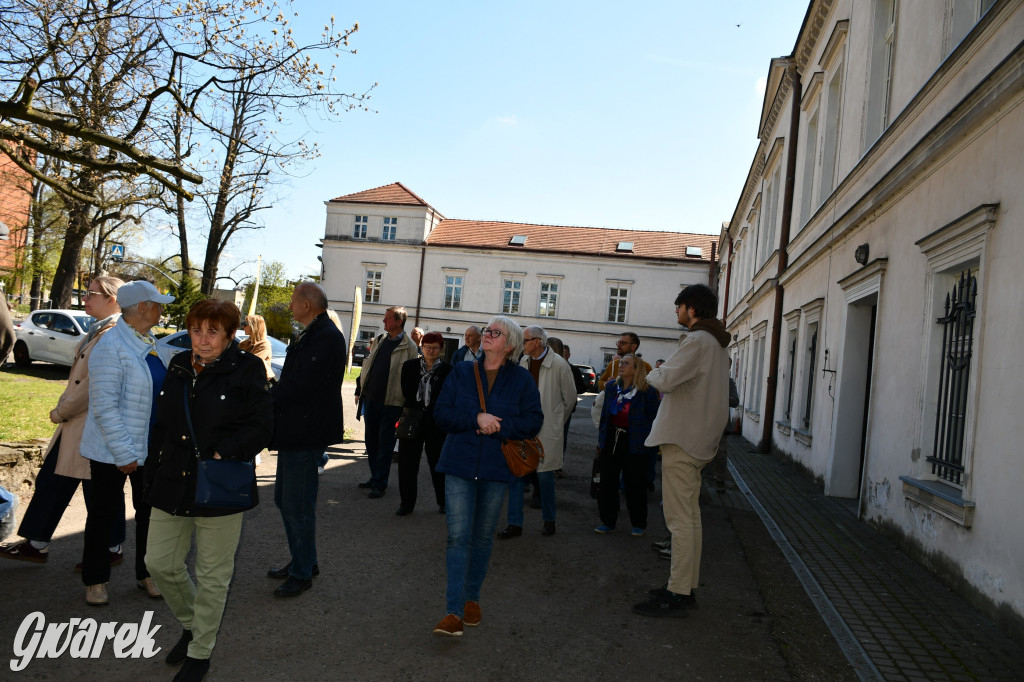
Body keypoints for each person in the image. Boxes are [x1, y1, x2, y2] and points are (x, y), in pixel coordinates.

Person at [145, 298, 273, 682]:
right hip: (173, 480)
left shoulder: (248, 369)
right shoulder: (179, 364)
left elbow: (263, 426)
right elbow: (163, 424)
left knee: (213, 574)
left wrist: (224, 452)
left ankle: (200, 652)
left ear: (230, 334)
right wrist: (152, 470)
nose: (201, 340)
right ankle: (192, 624)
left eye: (212, 332)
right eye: (197, 330)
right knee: (160, 564)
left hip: (220, 484)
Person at [0, 276, 127, 566]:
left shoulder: (111, 334)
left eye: (93, 293)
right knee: (66, 483)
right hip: (85, 426)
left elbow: (91, 385)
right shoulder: (104, 330)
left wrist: (61, 412)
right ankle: (41, 543)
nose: (86, 298)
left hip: (88, 425)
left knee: (95, 488)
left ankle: (106, 548)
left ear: (112, 299)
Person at [431, 315, 543, 636]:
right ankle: (453, 612)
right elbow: (441, 413)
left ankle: (472, 598)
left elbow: (533, 421)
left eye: (495, 332)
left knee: (481, 537)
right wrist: (475, 417)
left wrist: (501, 425)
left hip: (496, 468)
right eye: (486, 330)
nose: (487, 335)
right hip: (459, 463)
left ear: (509, 345)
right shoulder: (462, 371)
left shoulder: (521, 380)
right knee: (457, 537)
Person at [633, 284, 730, 618]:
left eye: (679, 307)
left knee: (680, 521)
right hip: (699, 439)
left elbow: (662, 379)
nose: (676, 312)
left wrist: (654, 370)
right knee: (690, 518)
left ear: (692, 309)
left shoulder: (697, 340)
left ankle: (677, 593)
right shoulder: (716, 343)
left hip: (683, 439)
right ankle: (683, 586)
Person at [79, 280, 173, 606]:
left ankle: (147, 574)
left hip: (150, 449)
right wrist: (123, 453)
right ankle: (95, 581)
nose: (163, 308)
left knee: (149, 515)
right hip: (111, 450)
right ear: (143, 308)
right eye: (158, 303)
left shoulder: (150, 342)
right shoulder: (110, 347)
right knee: (103, 516)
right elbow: (104, 407)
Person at [268, 282, 347, 597]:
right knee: (287, 501)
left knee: (296, 505)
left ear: (307, 304)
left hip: (305, 432)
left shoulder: (325, 336)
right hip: (297, 431)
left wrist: (265, 396)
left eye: (292, 301)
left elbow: (300, 386)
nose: (289, 306)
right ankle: (305, 560)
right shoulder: (317, 333)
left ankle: (302, 573)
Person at [499, 326, 576, 538]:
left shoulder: (559, 364)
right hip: (521, 428)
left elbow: (570, 399)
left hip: (546, 429)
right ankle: (514, 524)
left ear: (538, 342)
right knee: (516, 475)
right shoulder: (522, 362)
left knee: (545, 479)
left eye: (525, 340)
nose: (522, 344)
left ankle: (549, 521)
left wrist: (556, 422)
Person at [590, 354, 660, 536]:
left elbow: (654, 417)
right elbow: (605, 416)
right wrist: (601, 441)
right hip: (612, 439)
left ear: (636, 369)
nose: (620, 365)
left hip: (636, 442)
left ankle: (638, 523)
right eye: (620, 362)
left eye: (626, 363)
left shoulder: (648, 391)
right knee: (607, 483)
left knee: (635, 484)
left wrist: (648, 441)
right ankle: (608, 521)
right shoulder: (612, 387)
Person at [354, 305, 418, 498]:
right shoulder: (380, 340)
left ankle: (380, 482)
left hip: (392, 403)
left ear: (399, 321)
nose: (384, 321)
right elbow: (368, 366)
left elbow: (411, 378)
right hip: (371, 399)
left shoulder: (410, 347)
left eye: (388, 318)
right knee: (371, 443)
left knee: (385, 444)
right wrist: (361, 390)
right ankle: (375, 476)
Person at [395, 332, 452, 516]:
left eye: (435, 347)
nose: (431, 351)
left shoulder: (448, 371)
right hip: (412, 420)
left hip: (436, 423)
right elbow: (406, 392)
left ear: (441, 350)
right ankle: (407, 503)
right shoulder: (410, 367)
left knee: (438, 464)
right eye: (427, 347)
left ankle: (443, 502)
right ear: (421, 347)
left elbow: (449, 397)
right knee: (407, 465)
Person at [712, 362, 741, 493]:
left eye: (727, 366)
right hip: (702, 422)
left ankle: (719, 480)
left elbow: (735, 401)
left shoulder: (729, 382)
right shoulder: (707, 378)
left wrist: (720, 397)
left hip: (720, 424)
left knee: (721, 454)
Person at [239, 313, 274, 382]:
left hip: (254, 381)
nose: (243, 327)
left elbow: (251, 362)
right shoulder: (244, 343)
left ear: (254, 326)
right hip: (243, 379)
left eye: (245, 324)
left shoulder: (264, 344)